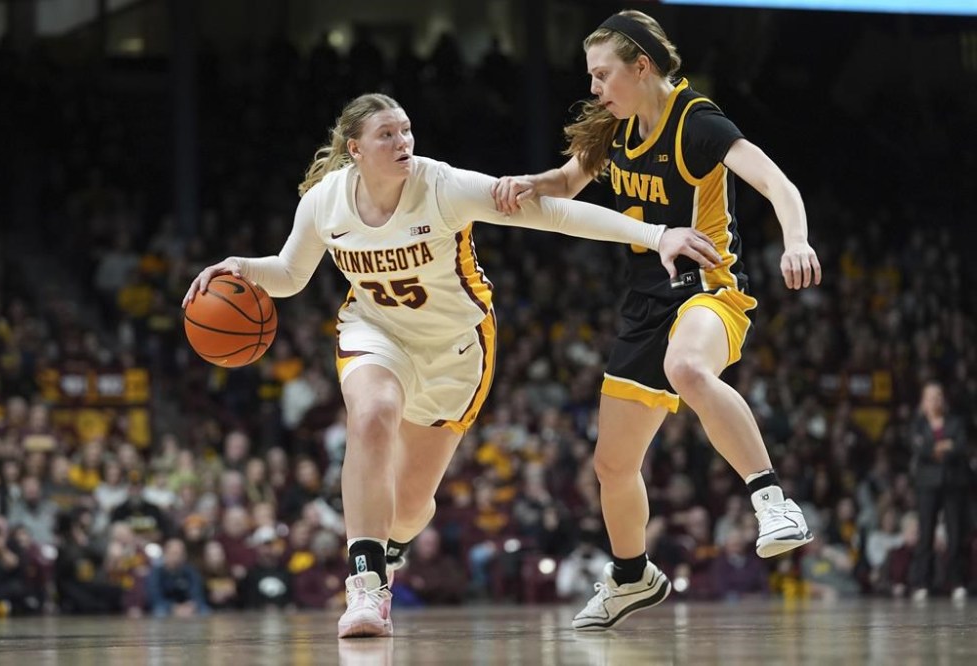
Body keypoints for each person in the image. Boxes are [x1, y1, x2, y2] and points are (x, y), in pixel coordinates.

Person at [182, 92, 720, 638]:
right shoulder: (325, 202)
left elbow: (553, 215)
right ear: (356, 149)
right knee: (372, 416)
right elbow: (290, 275)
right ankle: (365, 586)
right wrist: (241, 268)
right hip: (377, 330)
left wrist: (655, 235)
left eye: (406, 131)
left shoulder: (440, 185)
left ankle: (391, 548)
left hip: (456, 350)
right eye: (387, 135)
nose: (403, 143)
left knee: (411, 508)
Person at [492, 10, 821, 630]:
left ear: (641, 67)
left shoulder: (696, 122)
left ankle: (773, 502)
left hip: (709, 290)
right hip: (646, 301)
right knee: (612, 466)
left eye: (602, 74)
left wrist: (796, 240)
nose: (593, 87)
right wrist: (530, 184)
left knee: (688, 367)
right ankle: (631, 576)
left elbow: (777, 183)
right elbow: (569, 181)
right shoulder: (614, 127)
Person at [908, 381, 970, 602]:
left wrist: (935, 447)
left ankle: (956, 581)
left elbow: (961, 447)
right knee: (925, 533)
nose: (935, 400)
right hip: (927, 485)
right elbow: (919, 448)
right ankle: (922, 582)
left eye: (938, 396)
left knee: (955, 534)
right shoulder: (918, 424)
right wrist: (944, 446)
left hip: (953, 484)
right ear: (923, 402)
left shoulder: (955, 422)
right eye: (930, 397)